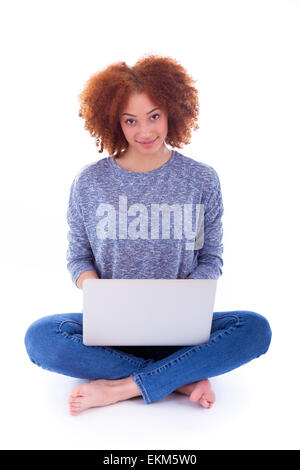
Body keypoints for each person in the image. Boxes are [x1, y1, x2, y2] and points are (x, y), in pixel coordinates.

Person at [24, 54, 272, 416]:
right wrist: (99, 293)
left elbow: (210, 257)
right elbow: (78, 257)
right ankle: (180, 379)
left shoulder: (201, 179)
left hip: (181, 331)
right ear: (114, 122)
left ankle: (124, 386)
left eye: (154, 116)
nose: (145, 131)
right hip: (112, 331)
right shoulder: (90, 182)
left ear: (173, 111)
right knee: (41, 338)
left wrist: (186, 297)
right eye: (130, 120)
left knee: (255, 328)